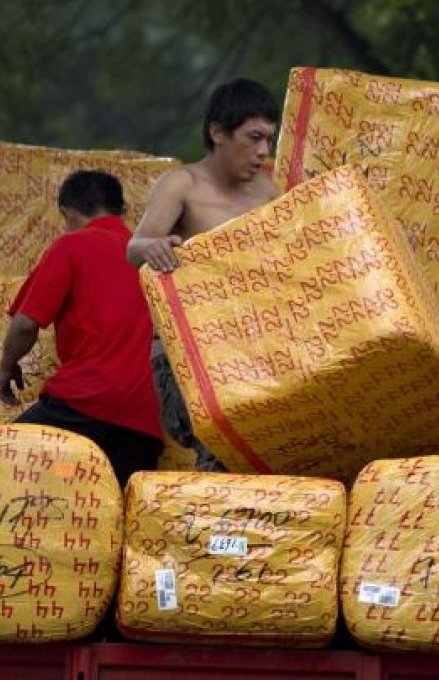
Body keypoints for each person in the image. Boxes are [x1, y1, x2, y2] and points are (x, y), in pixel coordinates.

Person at [128, 78, 280, 472]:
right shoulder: (183, 184)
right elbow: (135, 247)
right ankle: (214, 531)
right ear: (217, 132)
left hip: (251, 342)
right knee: (223, 445)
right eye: (254, 138)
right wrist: (155, 247)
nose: (263, 152)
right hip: (187, 349)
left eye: (269, 140)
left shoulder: (268, 193)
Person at [0, 170, 163, 487]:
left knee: (4, 462)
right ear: (120, 211)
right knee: (110, 503)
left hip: (85, 403)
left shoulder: (73, 246)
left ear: (69, 213)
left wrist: (6, 368)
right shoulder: (151, 258)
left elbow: (25, 324)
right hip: (145, 419)